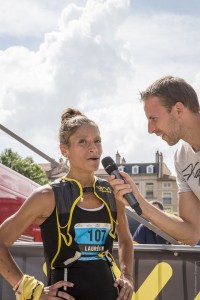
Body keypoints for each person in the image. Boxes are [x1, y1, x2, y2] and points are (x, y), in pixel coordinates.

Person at [0, 108, 134, 300]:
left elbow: (126, 239)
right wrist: (30, 290)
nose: (93, 148)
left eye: (97, 140)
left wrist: (127, 275)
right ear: (65, 150)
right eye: (83, 142)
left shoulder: (112, 192)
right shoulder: (46, 196)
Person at [109, 76, 200, 246]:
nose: (150, 129)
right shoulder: (181, 158)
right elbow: (192, 234)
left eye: (153, 118)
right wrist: (140, 202)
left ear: (178, 110)